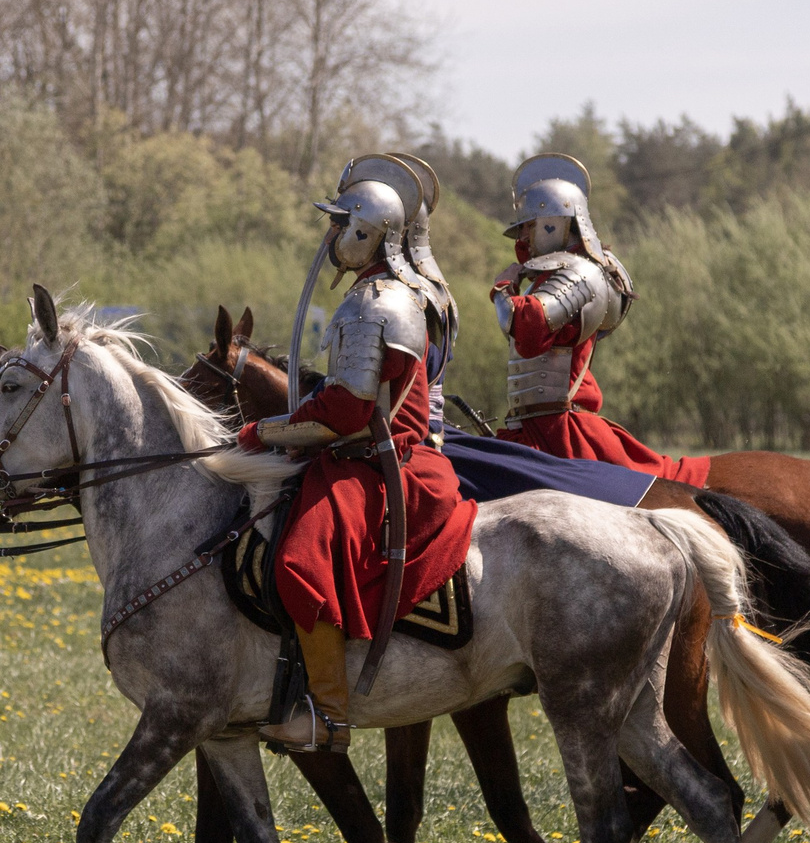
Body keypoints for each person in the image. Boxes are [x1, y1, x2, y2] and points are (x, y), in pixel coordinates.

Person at [239, 165, 477, 752]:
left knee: (299, 562)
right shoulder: (373, 294)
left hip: (380, 465)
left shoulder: (378, 301)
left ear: (370, 234)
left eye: (342, 224)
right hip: (363, 454)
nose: (331, 237)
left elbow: (345, 412)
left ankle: (330, 717)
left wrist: (263, 433)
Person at [490, 155, 715, 486]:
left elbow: (527, 323)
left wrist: (502, 290)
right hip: (534, 426)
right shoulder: (548, 275)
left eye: (529, 225)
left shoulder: (578, 272)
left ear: (553, 223)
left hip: (559, 433)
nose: (523, 236)